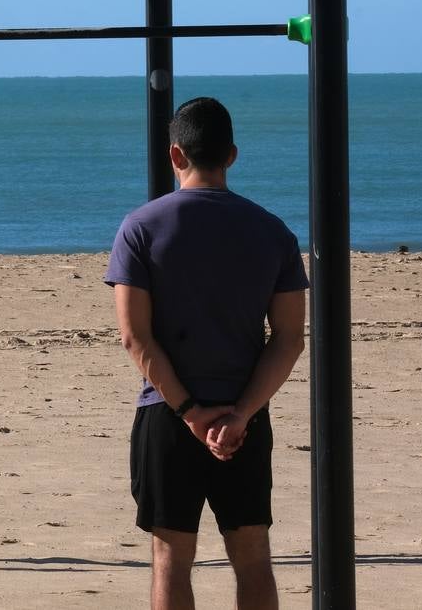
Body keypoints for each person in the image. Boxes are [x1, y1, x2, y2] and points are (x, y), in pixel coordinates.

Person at [105, 97, 308, 610]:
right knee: (253, 555)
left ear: (176, 155)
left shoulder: (141, 227)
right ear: (232, 155)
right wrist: (240, 413)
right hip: (244, 414)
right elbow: (288, 338)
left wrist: (190, 413)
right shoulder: (272, 231)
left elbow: (136, 337)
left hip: (169, 414)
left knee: (172, 557)